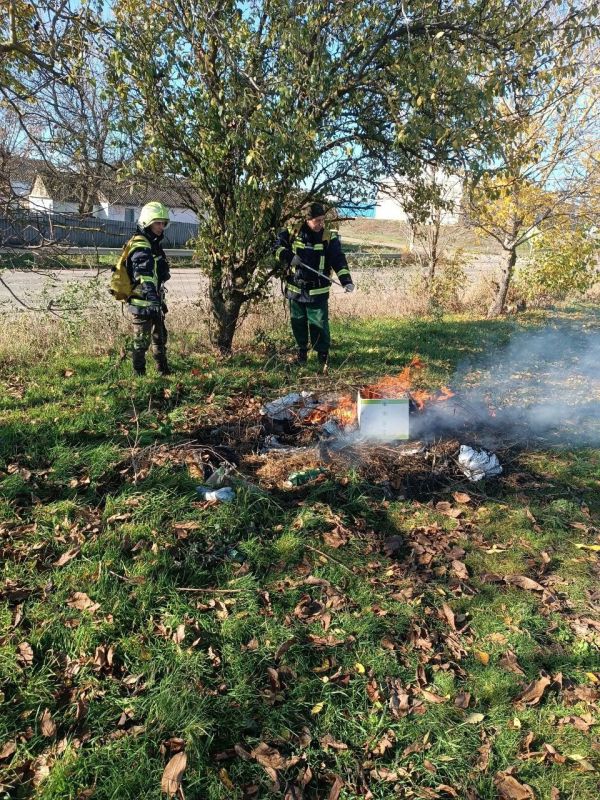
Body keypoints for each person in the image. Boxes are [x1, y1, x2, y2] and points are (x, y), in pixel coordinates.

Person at [275, 202, 354, 369]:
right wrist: (288, 256)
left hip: (318, 290)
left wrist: (346, 281)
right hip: (296, 289)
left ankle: (322, 359)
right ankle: (301, 355)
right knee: (298, 323)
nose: (320, 224)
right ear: (307, 219)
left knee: (319, 325)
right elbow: (276, 247)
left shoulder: (328, 236)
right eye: (317, 220)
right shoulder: (292, 232)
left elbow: (338, 259)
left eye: (322, 220)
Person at [126, 201, 171, 376]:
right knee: (141, 341)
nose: (161, 227)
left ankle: (163, 370)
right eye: (157, 223)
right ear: (147, 222)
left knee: (160, 337)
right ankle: (139, 374)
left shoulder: (154, 243)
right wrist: (152, 299)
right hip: (142, 302)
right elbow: (143, 274)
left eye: (163, 223)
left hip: (155, 300)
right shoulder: (140, 244)